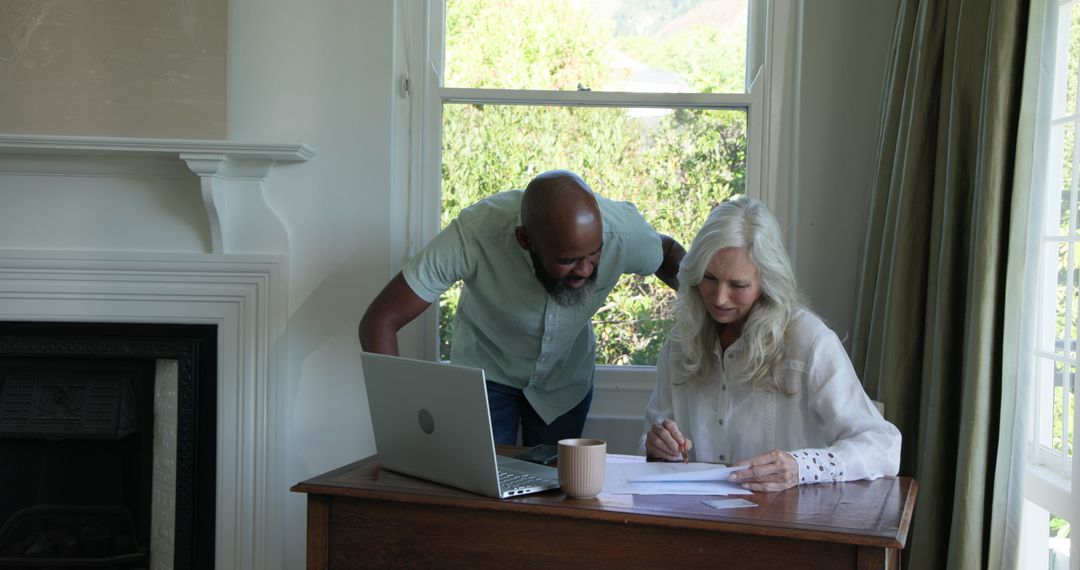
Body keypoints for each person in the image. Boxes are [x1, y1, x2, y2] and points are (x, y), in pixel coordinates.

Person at [361, 170, 685, 446]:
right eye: (568, 260)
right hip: (486, 374)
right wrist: (398, 427)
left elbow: (669, 254)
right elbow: (380, 321)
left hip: (565, 381)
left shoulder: (623, 233)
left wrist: (714, 316)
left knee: (554, 492)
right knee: (480, 494)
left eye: (594, 254)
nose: (585, 270)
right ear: (524, 239)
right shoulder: (475, 234)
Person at [643, 197, 900, 492]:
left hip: (788, 524)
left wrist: (800, 467)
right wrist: (657, 447)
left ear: (766, 283)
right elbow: (654, 440)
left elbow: (884, 446)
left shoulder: (809, 341)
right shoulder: (680, 340)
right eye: (709, 278)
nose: (719, 298)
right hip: (699, 521)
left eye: (738, 285)